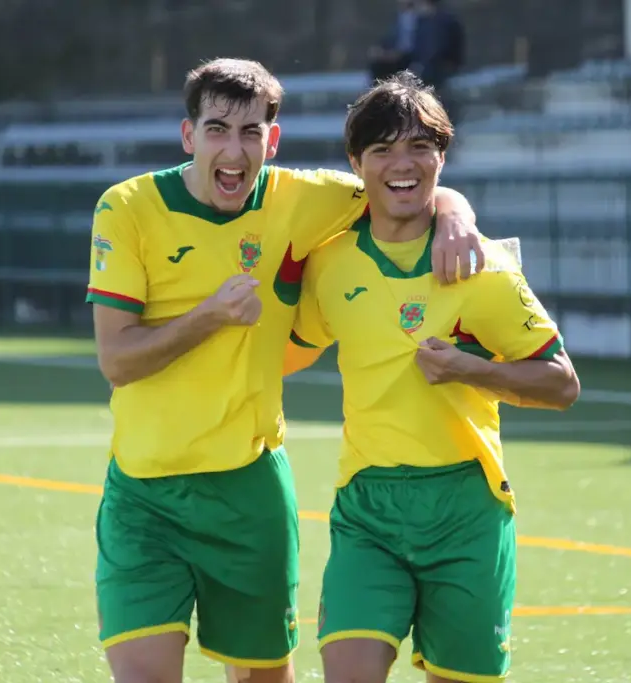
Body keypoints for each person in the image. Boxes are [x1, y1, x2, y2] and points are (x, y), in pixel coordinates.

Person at [87, 58, 486, 683]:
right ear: (189, 136)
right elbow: (116, 361)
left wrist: (458, 213)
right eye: (217, 129)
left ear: (272, 141)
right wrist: (211, 316)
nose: (234, 149)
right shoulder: (127, 208)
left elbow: (401, 178)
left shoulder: (300, 198)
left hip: (250, 492)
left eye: (251, 133)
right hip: (145, 497)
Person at [287, 72, 581, 683]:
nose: (403, 163)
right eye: (384, 149)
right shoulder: (330, 263)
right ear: (355, 163)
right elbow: (291, 350)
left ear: (441, 158)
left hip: (467, 509)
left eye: (420, 146)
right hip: (368, 507)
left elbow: (561, 383)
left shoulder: (482, 267)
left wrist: (468, 369)